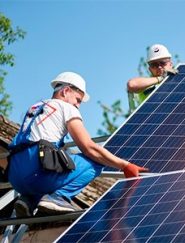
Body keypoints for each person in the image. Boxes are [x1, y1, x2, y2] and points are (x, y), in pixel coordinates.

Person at [7, 71, 148, 217]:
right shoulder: (67, 108)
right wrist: (125, 165)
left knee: (56, 159)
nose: (78, 105)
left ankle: (28, 200)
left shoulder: (36, 107)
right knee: (95, 161)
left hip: (15, 176)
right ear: (66, 91)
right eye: (78, 99)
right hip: (36, 168)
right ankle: (59, 198)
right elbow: (89, 148)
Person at [127, 44, 178, 113]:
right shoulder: (147, 84)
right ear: (150, 69)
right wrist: (161, 78)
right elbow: (132, 85)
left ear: (170, 64)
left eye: (163, 63)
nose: (159, 67)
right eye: (154, 65)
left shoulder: (183, 79)